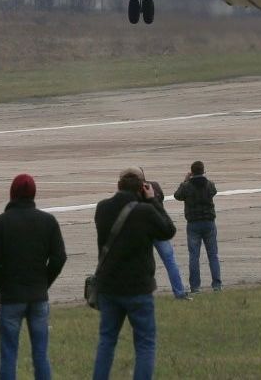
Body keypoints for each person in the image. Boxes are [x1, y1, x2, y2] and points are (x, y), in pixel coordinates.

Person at [92, 168, 177, 380]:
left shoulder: (102, 208)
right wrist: (152, 201)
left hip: (109, 286)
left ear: (118, 184)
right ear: (142, 188)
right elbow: (168, 230)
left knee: (106, 341)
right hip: (138, 287)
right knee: (145, 343)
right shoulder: (145, 212)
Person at [0, 174, 67, 380]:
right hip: (38, 294)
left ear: (12, 193)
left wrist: (0, 285)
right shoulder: (47, 221)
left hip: (11, 295)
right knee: (40, 354)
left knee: (8, 354)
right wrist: (45, 282)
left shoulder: (0, 223)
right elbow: (59, 257)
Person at [173, 160, 222, 294]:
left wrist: (185, 181)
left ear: (192, 172)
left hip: (193, 223)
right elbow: (214, 190)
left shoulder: (187, 186)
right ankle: (217, 284)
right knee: (213, 255)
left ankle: (195, 287)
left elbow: (177, 195)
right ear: (203, 170)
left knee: (194, 256)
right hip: (209, 221)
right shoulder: (209, 184)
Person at [149, 179, 189, 299]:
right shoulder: (154, 186)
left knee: (145, 262)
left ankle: (144, 293)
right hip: (159, 229)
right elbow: (161, 199)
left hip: (145, 231)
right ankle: (179, 292)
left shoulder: (133, 192)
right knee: (170, 261)